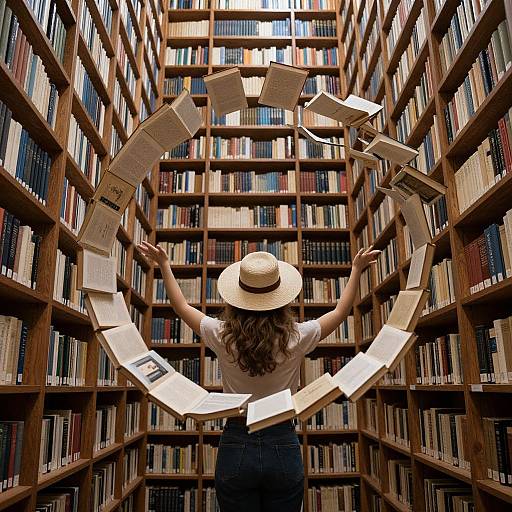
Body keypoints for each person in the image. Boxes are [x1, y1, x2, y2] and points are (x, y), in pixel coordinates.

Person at [137, 242, 379, 512]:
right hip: (282, 439)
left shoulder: (221, 334)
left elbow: (180, 306)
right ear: (280, 297)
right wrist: (356, 270)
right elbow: (339, 312)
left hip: (237, 439)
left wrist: (165, 265)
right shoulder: (297, 336)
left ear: (237, 297)